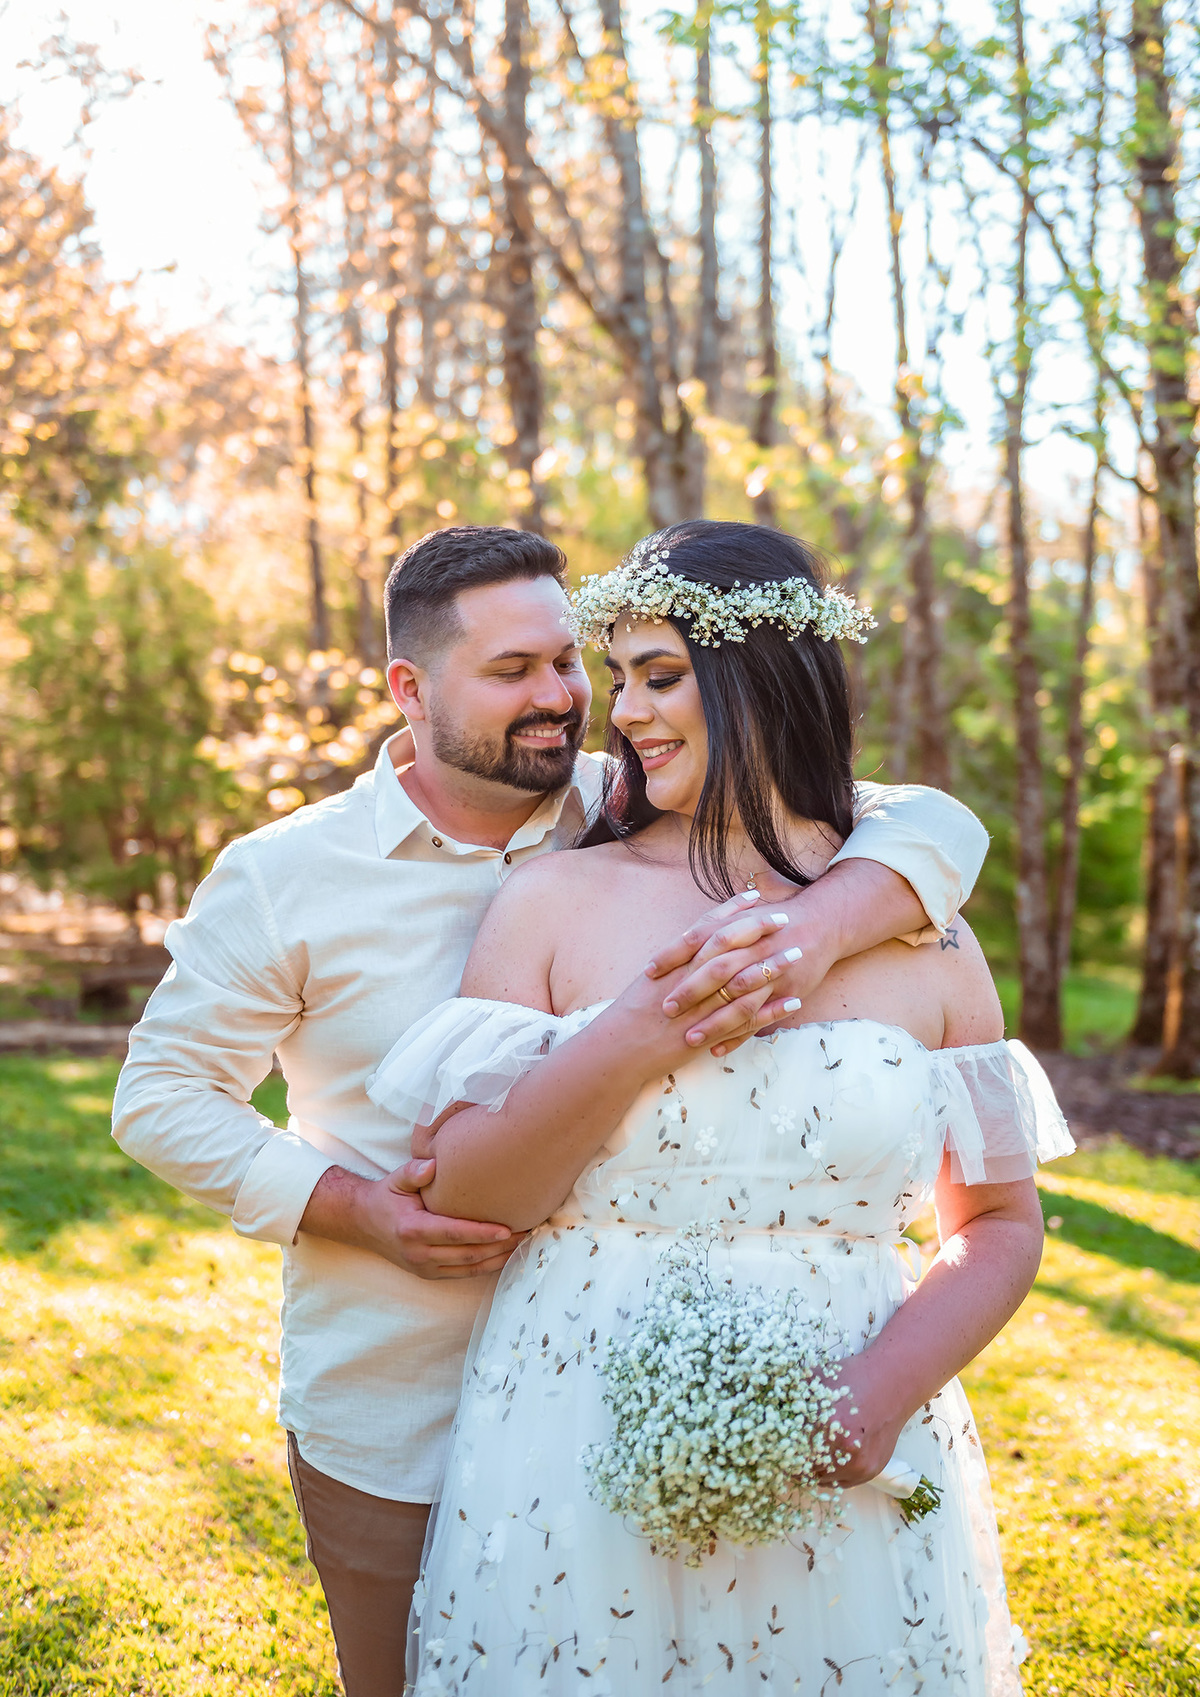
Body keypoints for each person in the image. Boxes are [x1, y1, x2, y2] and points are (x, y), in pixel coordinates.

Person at [112, 523, 991, 1697]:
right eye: (516, 672)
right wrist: (357, 1208)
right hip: (405, 1384)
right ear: (410, 690)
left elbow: (925, 825)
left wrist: (812, 933)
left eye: (573, 664)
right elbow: (160, 1095)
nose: (573, 699)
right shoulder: (289, 874)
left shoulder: (623, 800)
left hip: (749, 1390)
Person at [368, 521, 1072, 1696]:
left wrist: (882, 1389)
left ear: (759, 679)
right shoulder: (553, 899)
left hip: (841, 1437)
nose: (624, 714)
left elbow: (999, 1221)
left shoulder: (923, 925)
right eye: (619, 679)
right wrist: (639, 1029)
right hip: (572, 1418)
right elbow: (472, 1192)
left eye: (661, 677)